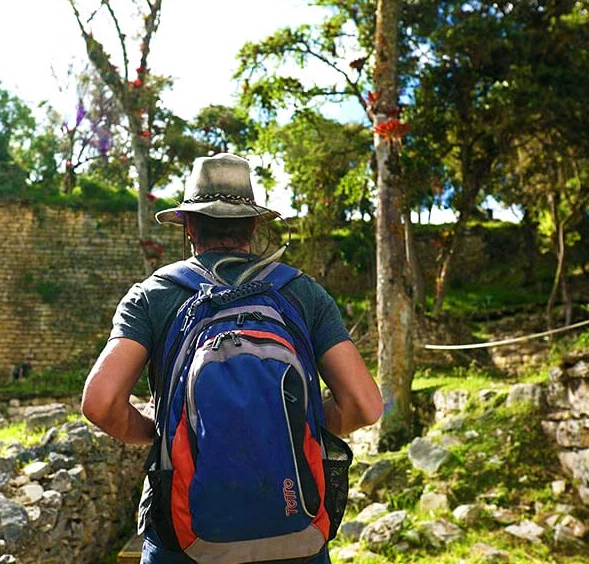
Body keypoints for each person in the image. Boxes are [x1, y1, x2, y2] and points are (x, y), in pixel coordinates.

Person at [81, 152, 383, 564]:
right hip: (296, 531)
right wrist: (294, 425)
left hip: (184, 538)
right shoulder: (303, 293)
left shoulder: (153, 295)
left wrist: (163, 431)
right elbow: (364, 404)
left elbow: (100, 403)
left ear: (188, 225)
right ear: (255, 225)